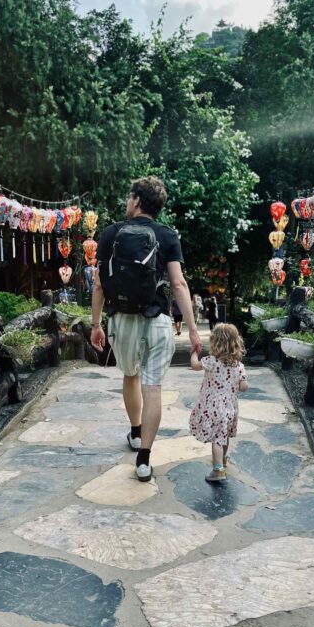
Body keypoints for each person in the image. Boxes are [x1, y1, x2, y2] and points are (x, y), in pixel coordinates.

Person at [91, 176, 202, 482]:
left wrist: (96, 324)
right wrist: (192, 330)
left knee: (131, 375)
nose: (127, 202)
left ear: (138, 200)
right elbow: (178, 283)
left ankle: (136, 432)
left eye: (130, 197)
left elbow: (99, 284)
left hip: (123, 320)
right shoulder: (167, 236)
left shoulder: (112, 233)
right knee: (153, 387)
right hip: (158, 321)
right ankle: (144, 459)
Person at [189, 323, 248, 483]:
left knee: (216, 439)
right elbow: (243, 387)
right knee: (224, 435)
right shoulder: (239, 366)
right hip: (230, 408)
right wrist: (240, 380)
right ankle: (222, 460)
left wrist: (194, 352)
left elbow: (194, 366)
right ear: (236, 343)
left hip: (214, 407)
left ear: (215, 342)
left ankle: (218, 470)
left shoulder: (212, 361)